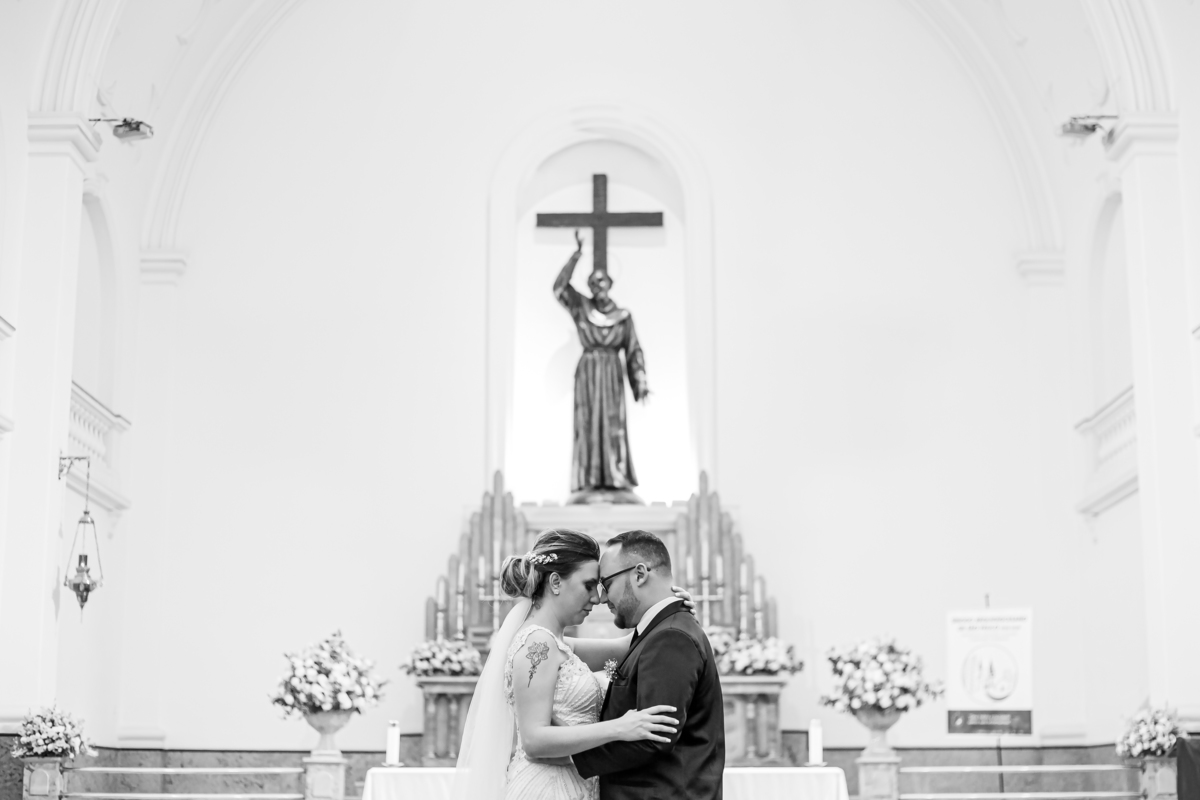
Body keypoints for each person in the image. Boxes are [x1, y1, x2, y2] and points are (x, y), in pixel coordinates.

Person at [452, 529, 693, 800]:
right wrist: (621, 728)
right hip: (546, 788)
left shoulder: (556, 643)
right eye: (589, 585)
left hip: (574, 783)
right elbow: (533, 740)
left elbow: (625, 647)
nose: (598, 598)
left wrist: (665, 605)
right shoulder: (537, 645)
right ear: (556, 582)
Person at [572, 529, 725, 800]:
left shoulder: (670, 637)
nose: (602, 598)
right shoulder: (659, 631)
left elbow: (653, 738)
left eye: (606, 584)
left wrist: (567, 760)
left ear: (640, 574)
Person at [554, 231, 649, 505]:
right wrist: (576, 256)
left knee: (613, 425)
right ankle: (588, 480)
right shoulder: (581, 307)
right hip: (588, 373)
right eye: (593, 283)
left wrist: (639, 380)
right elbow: (559, 288)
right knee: (587, 425)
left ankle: (616, 479)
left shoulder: (622, 316)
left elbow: (633, 349)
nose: (597, 286)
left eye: (602, 282)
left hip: (611, 373)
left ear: (610, 284)